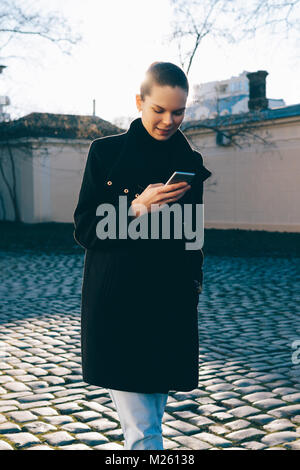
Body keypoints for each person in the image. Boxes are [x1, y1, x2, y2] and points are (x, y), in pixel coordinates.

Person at [73, 62, 212, 450]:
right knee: (144, 432)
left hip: (168, 309)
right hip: (119, 309)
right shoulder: (105, 154)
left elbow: (191, 238)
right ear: (139, 101)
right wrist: (137, 206)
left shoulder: (189, 166)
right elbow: (85, 229)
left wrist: (192, 289)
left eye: (179, 111)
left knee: (150, 422)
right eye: (159, 110)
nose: (169, 120)